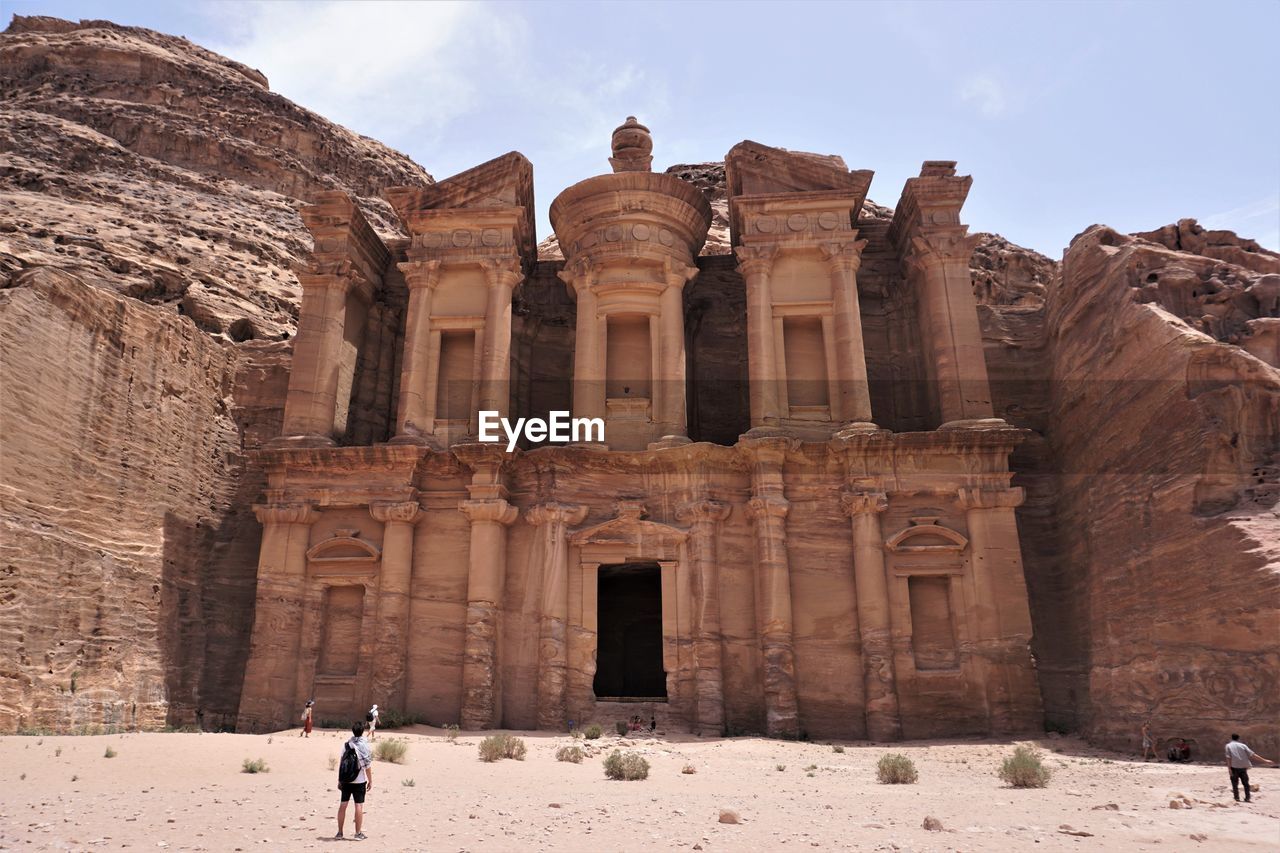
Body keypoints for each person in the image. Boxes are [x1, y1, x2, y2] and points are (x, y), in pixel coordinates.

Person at [336, 721, 373, 839]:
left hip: (346, 780)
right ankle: (358, 833)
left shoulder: (347, 745)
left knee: (343, 805)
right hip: (360, 781)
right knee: (359, 806)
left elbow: (342, 762)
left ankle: (340, 833)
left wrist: (340, 779)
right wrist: (370, 780)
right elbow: (367, 765)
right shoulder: (364, 745)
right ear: (362, 731)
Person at [1225, 733, 1274, 803]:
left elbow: (1228, 757)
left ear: (1231, 738)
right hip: (1243, 767)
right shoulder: (1243, 745)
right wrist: (1265, 760)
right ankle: (1247, 798)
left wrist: (1229, 769)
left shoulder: (1228, 746)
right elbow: (1253, 755)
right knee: (1246, 783)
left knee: (1234, 784)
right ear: (1238, 739)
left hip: (1234, 767)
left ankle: (1237, 798)